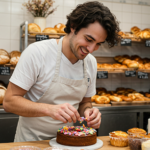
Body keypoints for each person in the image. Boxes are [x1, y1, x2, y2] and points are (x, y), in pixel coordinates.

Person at [3, 1, 120, 142]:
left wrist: (88, 112)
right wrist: (49, 109)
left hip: (67, 142)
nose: (91, 49)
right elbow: (9, 102)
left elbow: (84, 102)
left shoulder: (90, 63)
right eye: (89, 39)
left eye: (98, 44)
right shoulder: (37, 53)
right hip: (32, 142)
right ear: (73, 26)